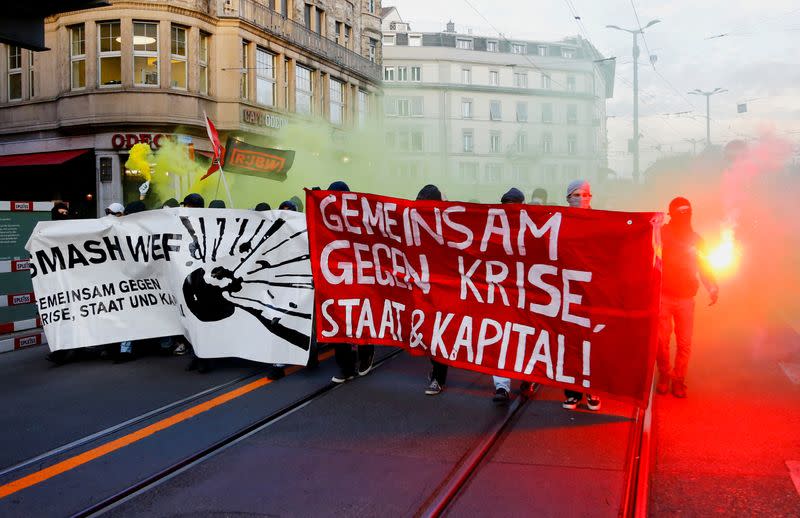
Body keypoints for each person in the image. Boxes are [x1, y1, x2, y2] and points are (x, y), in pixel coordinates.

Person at [656, 197, 719, 398]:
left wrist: (711, 286)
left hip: (686, 299)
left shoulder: (697, 239)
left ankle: (679, 380)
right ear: (672, 213)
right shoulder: (662, 233)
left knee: (684, 343)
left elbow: (705, 266)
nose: (685, 215)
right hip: (664, 296)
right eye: (680, 211)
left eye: (687, 211)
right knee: (661, 342)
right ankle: (665, 376)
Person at [326, 180, 375, 383]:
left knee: (361, 317)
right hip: (335, 277)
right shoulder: (324, 218)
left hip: (359, 276)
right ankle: (345, 366)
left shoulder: (360, 217)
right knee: (338, 319)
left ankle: (366, 355)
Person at [562, 180, 602, 411]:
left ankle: (592, 390)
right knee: (570, 346)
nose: (582, 199)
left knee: (592, 343)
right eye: (577, 195)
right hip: (567, 293)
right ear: (568, 198)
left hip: (591, 294)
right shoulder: (560, 221)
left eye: (586, 194)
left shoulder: (599, 221)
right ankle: (572, 392)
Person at [490, 188, 532, 404]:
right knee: (501, 338)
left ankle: (529, 377)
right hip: (502, 295)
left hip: (526, 294)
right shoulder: (492, 229)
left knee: (526, 338)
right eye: (507, 206)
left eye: (514, 206)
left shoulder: (534, 229)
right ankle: (501, 386)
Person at [412, 185, 449, 395]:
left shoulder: (448, 225)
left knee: (439, 332)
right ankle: (436, 369)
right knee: (427, 331)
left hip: (442, 289)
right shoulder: (413, 222)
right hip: (422, 287)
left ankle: (438, 377)